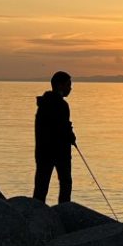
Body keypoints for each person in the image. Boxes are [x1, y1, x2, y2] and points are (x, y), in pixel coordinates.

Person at [33, 71, 77, 204]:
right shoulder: (62, 105)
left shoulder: (43, 104)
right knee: (65, 182)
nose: (70, 88)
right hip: (59, 152)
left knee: (41, 184)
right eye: (68, 85)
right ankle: (64, 211)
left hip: (42, 151)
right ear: (59, 85)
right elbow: (63, 127)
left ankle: (36, 209)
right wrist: (71, 137)